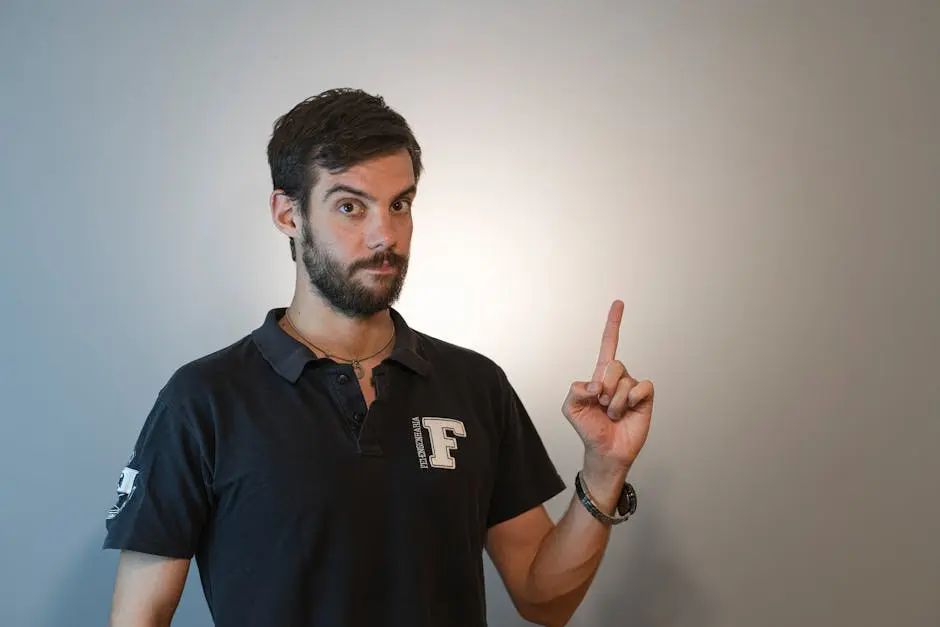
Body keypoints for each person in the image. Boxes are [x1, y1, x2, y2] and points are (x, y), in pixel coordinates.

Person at [102, 88, 655, 627]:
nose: (384, 235)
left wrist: (604, 473)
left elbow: (544, 599)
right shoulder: (205, 400)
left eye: (400, 205)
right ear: (288, 215)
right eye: (350, 206)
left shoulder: (474, 384)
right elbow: (139, 616)